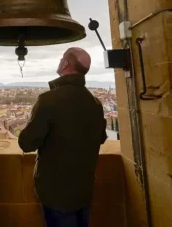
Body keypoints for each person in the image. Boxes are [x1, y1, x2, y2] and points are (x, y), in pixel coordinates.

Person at [18, 47, 107, 227]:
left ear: (66, 64)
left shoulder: (48, 100)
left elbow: (26, 143)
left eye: (61, 58)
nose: (60, 61)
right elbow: (101, 137)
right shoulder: (94, 103)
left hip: (55, 192)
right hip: (84, 189)